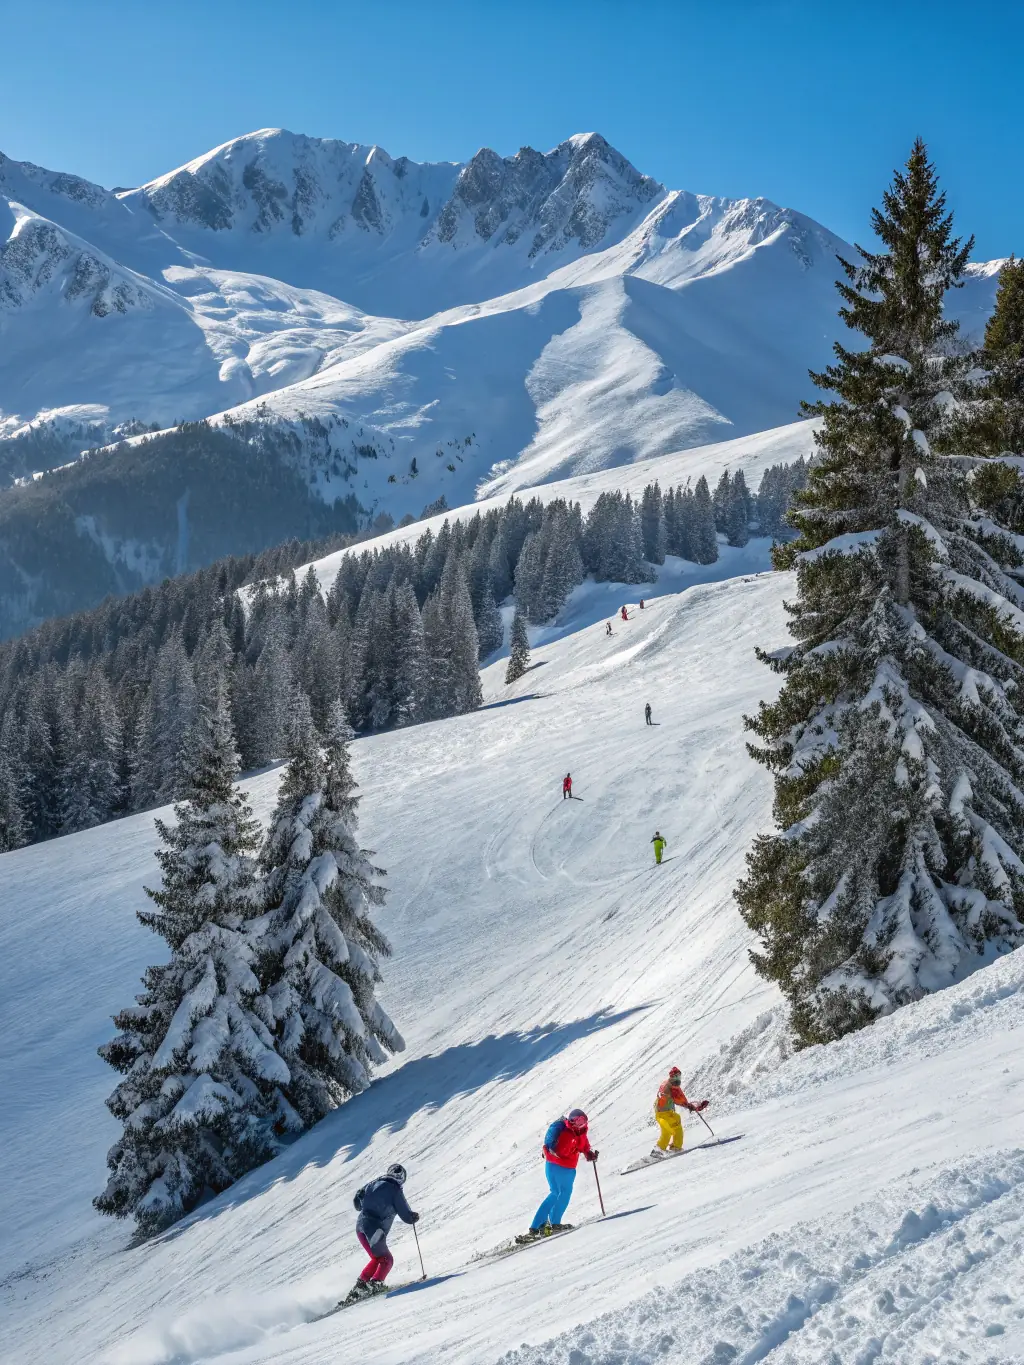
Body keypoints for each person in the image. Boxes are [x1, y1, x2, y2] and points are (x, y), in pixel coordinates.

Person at [519, 1109, 598, 1241]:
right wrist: (548, 1152)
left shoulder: (581, 1133)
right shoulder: (565, 1132)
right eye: (578, 1120)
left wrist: (589, 1153)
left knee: (566, 1193)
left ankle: (555, 1223)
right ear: (571, 1121)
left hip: (570, 1169)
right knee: (555, 1192)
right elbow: (549, 1149)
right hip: (555, 1166)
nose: (581, 1124)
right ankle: (535, 1227)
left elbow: (584, 1146)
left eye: (583, 1120)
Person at [345, 1163, 419, 1302]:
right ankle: (375, 1285)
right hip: (374, 1230)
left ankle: (359, 1288)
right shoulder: (395, 1190)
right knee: (387, 1260)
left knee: (377, 1258)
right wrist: (412, 1217)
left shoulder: (372, 1184)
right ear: (402, 1178)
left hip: (360, 1228)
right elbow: (405, 1215)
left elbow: (357, 1204)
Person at [652, 1068, 709, 1158]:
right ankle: (658, 1150)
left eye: (679, 1076)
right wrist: (662, 1095)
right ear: (671, 1076)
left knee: (677, 1126)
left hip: (670, 1113)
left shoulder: (675, 1088)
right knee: (668, 1131)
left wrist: (696, 1107)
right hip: (662, 1114)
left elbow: (682, 1101)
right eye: (675, 1076)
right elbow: (664, 1094)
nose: (678, 1079)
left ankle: (676, 1147)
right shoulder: (667, 1086)